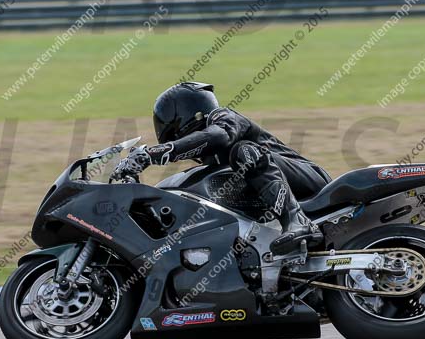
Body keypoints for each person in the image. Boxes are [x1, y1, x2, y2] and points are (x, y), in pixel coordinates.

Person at [110, 82, 331, 255]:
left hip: (311, 179)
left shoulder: (223, 117)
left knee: (244, 151)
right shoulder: (212, 160)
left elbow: (219, 136)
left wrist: (155, 153)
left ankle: (297, 220)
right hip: (281, 192)